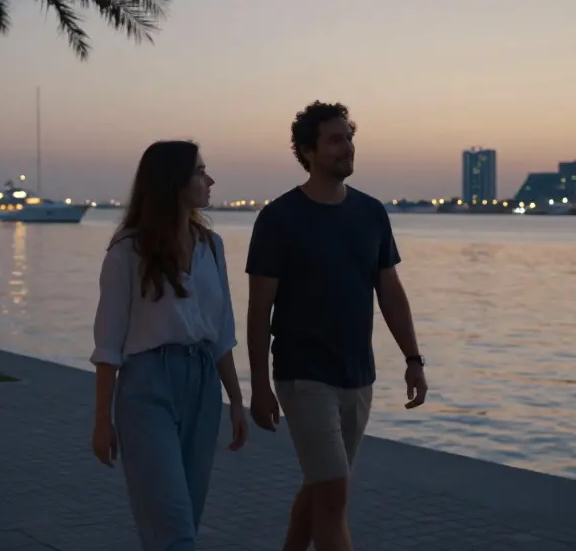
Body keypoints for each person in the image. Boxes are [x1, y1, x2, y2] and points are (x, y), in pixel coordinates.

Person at [245, 101, 428, 551]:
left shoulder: (371, 213)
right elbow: (257, 310)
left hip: (357, 376)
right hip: (302, 374)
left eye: (349, 137)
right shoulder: (278, 218)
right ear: (308, 151)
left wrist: (413, 359)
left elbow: (390, 292)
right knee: (334, 493)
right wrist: (261, 387)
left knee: (321, 485)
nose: (347, 147)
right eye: (335, 139)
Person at [91, 140, 249, 551]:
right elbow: (108, 343)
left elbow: (222, 331)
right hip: (148, 387)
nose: (209, 180)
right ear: (173, 182)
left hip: (203, 387)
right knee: (173, 529)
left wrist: (235, 399)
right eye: (200, 172)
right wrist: (102, 419)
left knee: (184, 524)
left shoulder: (211, 247)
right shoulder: (127, 251)